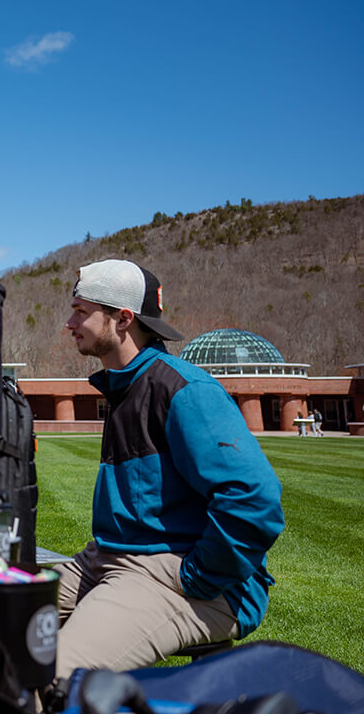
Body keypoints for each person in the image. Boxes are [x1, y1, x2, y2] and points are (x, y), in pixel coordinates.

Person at [54, 259, 285, 684]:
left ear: (123, 319)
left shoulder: (184, 390)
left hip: (183, 574)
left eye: (81, 311)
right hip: (108, 558)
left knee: (51, 676)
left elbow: (255, 498)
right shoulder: (122, 385)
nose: (70, 323)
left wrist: (197, 575)